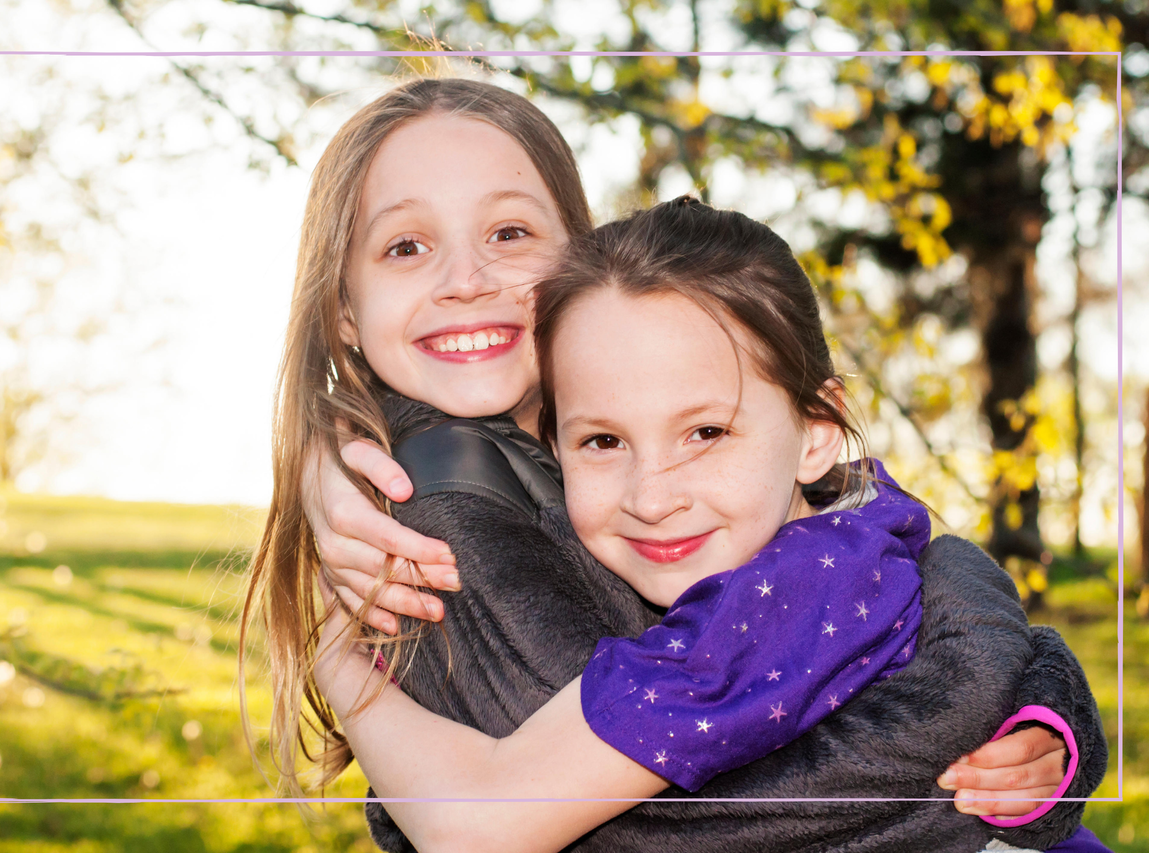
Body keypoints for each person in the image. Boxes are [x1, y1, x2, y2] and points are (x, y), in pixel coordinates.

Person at [239, 76, 1105, 852]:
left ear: (577, 260)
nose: (467, 277)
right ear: (340, 307)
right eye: (405, 246)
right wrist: (324, 453)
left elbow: (488, 824)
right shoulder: (444, 477)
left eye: (508, 230)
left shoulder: (787, 581)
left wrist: (334, 661)